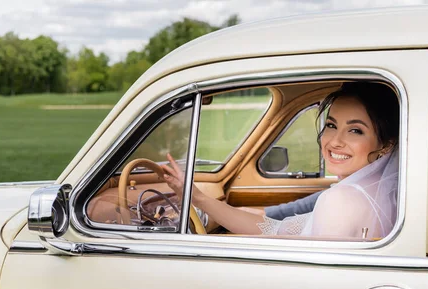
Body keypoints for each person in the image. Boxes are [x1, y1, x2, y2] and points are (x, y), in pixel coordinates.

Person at [163, 81, 400, 239]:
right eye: (331, 125)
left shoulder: (341, 199)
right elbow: (272, 229)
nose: (335, 141)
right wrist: (200, 199)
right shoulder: (375, 192)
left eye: (355, 130)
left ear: (387, 144)